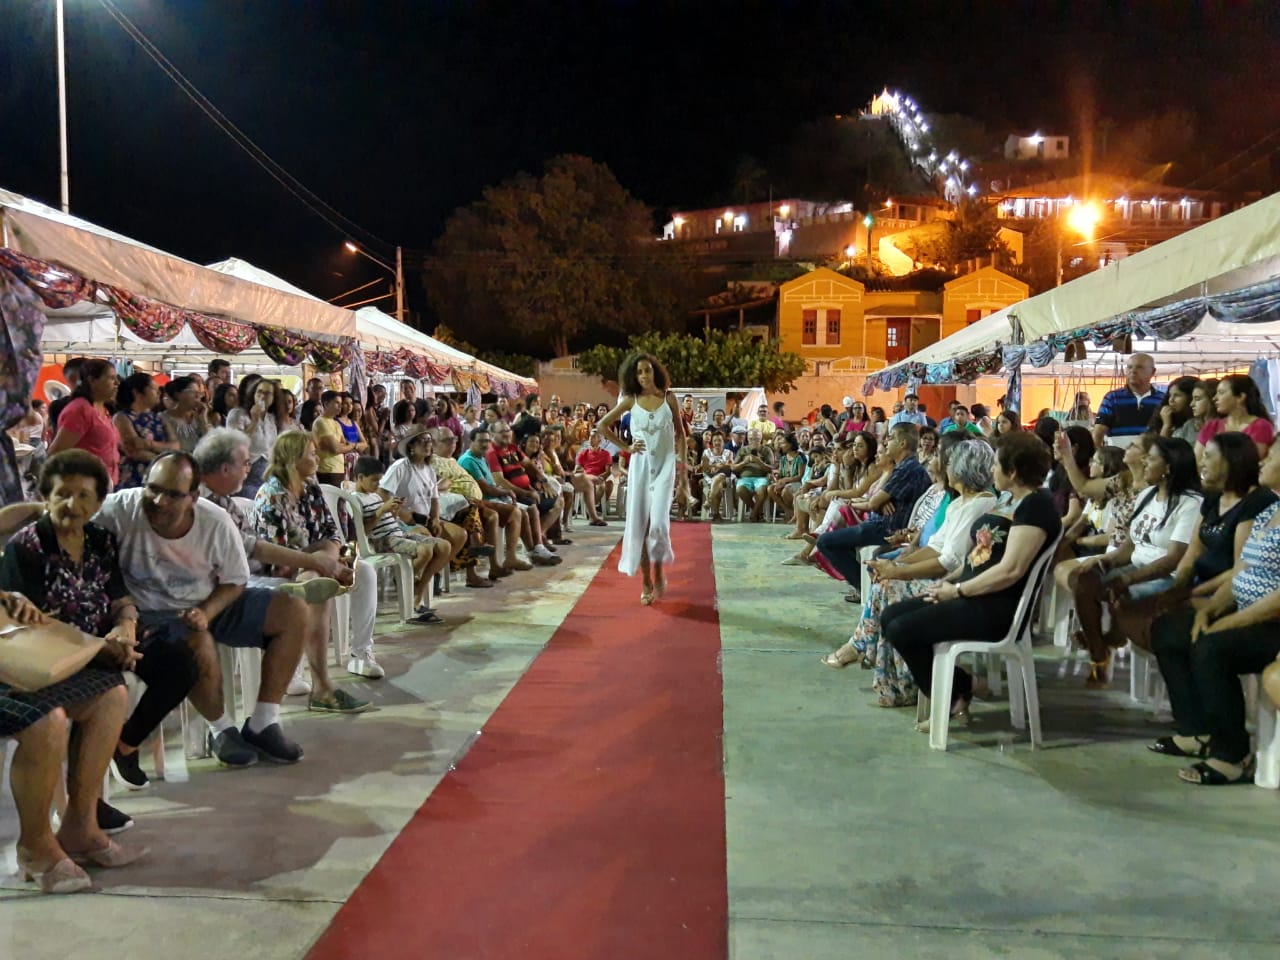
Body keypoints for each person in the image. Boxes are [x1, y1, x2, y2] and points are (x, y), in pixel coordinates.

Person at [95, 451, 306, 780]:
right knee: (198, 642)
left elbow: (235, 581)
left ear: (194, 496)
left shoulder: (214, 521)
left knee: (293, 611)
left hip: (209, 601)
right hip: (149, 615)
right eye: (153, 488)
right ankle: (221, 729)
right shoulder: (120, 508)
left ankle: (264, 721)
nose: (159, 501)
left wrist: (207, 611)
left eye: (173, 494)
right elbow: (60, 514)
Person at [0, 453, 150, 886]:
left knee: (112, 695)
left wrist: (125, 628)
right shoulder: (27, 546)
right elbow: (28, 630)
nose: (72, 504)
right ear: (45, 497)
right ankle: (35, 845)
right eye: (62, 493)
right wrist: (97, 647)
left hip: (77, 658)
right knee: (51, 720)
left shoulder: (101, 540)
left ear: (99, 501)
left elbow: (119, 595)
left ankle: (81, 827)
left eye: (84, 495)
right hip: (23, 668)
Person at [881, 431, 1063, 731]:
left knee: (904, 628)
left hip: (996, 608)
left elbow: (1010, 570)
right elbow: (980, 557)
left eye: (996, 465)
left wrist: (958, 590)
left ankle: (954, 697)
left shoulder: (1035, 507)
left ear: (1013, 471)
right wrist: (949, 581)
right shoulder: (1009, 500)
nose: (991, 470)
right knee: (891, 616)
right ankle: (962, 688)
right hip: (974, 594)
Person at [193, 429, 370, 713]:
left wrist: (327, 556)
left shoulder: (225, 500)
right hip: (237, 586)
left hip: (247, 578)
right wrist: (318, 562)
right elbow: (259, 550)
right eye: (245, 463)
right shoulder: (211, 504)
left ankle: (351, 661)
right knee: (308, 594)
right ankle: (299, 697)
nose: (250, 469)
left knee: (335, 579)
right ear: (225, 468)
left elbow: (326, 532)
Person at [1150, 440, 1280, 786]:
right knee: (1170, 630)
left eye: (1274, 454)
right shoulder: (1271, 513)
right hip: (1246, 608)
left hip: (1271, 622)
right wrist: (1214, 610)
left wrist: (1228, 620)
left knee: (1213, 647)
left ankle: (1233, 754)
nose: (1264, 458)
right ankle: (1196, 730)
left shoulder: (1261, 504)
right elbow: (1243, 572)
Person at [1067, 436, 1202, 685]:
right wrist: (1106, 562)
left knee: (1122, 594)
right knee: (1082, 578)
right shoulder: (1148, 495)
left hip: (1165, 576)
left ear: (1169, 467)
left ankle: (1112, 637)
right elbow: (1129, 547)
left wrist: (1127, 578)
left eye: (1151, 459)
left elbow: (1173, 559)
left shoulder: (1190, 503)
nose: (1145, 463)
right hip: (1136, 565)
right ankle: (1099, 651)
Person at [253, 431, 382, 679]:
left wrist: (329, 559)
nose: (318, 459)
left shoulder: (311, 487)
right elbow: (277, 557)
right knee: (313, 580)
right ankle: (292, 668)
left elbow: (332, 532)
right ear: (293, 459)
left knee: (364, 570)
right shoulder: (271, 496)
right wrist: (319, 562)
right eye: (312, 454)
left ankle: (361, 653)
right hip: (281, 571)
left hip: (321, 559)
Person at [598, 352, 686, 604]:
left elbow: (680, 434)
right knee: (641, 526)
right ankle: (646, 579)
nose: (644, 376)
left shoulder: (669, 398)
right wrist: (625, 447)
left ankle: (658, 570)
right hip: (640, 466)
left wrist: (682, 465)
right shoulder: (630, 401)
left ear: (655, 371)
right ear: (633, 376)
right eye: (639, 372)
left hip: (666, 464)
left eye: (647, 370)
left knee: (658, 524)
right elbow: (602, 426)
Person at [813, 423, 932, 600]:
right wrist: (879, 503)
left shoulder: (907, 469)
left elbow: (872, 502)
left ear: (902, 444)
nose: (885, 442)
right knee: (836, 535)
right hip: (878, 522)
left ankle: (863, 587)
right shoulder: (902, 467)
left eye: (890, 438)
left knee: (826, 542)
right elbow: (877, 499)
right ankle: (861, 584)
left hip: (887, 528)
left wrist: (875, 503)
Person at [352, 456, 454, 623]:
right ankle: (410, 589)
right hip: (381, 540)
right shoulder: (355, 499)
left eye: (380, 480)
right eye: (374, 480)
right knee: (425, 550)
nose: (378, 484)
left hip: (398, 533)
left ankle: (415, 588)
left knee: (444, 546)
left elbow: (390, 519)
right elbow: (362, 532)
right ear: (360, 478)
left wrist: (393, 510)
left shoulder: (375, 496)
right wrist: (381, 511)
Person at [46, 358, 120, 487]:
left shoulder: (103, 409)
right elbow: (56, 453)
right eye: (111, 378)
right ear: (92, 381)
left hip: (104, 485)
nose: (116, 383)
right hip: (84, 487)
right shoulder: (80, 409)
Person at [113, 372, 178, 489]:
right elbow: (134, 451)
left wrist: (148, 444)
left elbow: (175, 446)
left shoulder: (159, 417)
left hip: (158, 477)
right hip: (133, 479)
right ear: (137, 393)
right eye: (154, 389)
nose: (159, 393)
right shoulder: (122, 418)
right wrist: (164, 457)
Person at [225, 374, 279, 500]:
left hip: (267, 473)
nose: (263, 396)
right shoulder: (238, 414)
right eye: (259, 392)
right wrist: (254, 421)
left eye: (268, 393)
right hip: (246, 473)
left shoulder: (271, 418)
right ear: (253, 394)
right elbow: (234, 444)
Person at [1093, 353, 1165, 448]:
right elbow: (1098, 432)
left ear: (1152, 371)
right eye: (1129, 367)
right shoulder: (1112, 398)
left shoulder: (1162, 399)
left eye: (1139, 367)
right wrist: (1100, 456)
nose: (1133, 371)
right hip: (1118, 459)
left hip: (1151, 459)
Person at [1196, 374, 1275, 460]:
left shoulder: (1260, 427)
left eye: (1221, 393)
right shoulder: (1212, 426)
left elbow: (1251, 463)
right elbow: (1197, 460)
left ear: (1240, 397)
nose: (1215, 398)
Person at [312, 390, 363, 486]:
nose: (340, 406)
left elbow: (344, 444)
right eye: (337, 403)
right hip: (327, 470)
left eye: (340, 403)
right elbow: (336, 449)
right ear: (326, 404)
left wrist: (346, 445)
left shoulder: (336, 423)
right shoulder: (321, 422)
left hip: (340, 469)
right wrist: (352, 445)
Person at [161, 375, 211, 454]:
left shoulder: (200, 417)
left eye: (199, 393)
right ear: (177, 394)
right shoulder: (163, 418)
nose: (197, 396)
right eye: (193, 392)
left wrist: (203, 420)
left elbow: (211, 445)